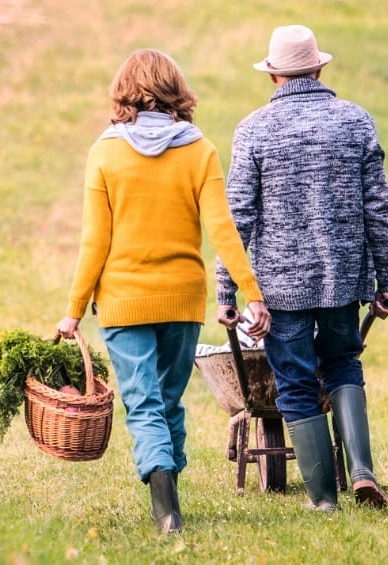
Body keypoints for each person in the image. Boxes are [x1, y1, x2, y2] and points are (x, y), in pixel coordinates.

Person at [56, 48, 271, 534]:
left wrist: (72, 311)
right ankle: (169, 490)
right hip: (182, 300)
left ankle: (166, 509)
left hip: (123, 301)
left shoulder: (106, 152)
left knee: (145, 404)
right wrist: (250, 293)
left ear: (123, 92)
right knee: (169, 401)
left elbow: (95, 242)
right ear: (176, 91)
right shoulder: (200, 150)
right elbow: (223, 229)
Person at [216, 25, 388, 511]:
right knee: (343, 365)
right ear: (319, 67)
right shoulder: (355, 122)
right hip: (343, 281)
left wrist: (226, 291)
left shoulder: (254, 129)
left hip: (279, 287)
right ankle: (360, 470)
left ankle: (323, 500)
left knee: (294, 383)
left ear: (273, 75)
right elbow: (376, 208)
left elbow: (238, 219)